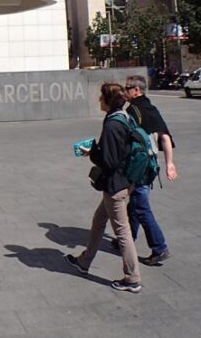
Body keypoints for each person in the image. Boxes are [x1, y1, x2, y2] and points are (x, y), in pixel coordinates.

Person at [66, 82, 142, 293]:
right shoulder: (123, 117)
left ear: (108, 101)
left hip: (115, 185)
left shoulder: (112, 125)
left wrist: (91, 153)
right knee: (99, 221)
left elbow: (108, 160)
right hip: (124, 181)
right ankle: (84, 261)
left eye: (101, 97)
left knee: (123, 232)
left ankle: (132, 277)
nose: (99, 100)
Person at [124, 74, 177, 266]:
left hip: (139, 165)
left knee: (141, 206)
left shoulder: (132, 110)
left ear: (136, 90)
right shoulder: (152, 108)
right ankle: (126, 239)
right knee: (135, 204)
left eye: (127, 88)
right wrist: (169, 163)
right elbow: (165, 137)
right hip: (151, 164)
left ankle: (159, 247)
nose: (125, 91)